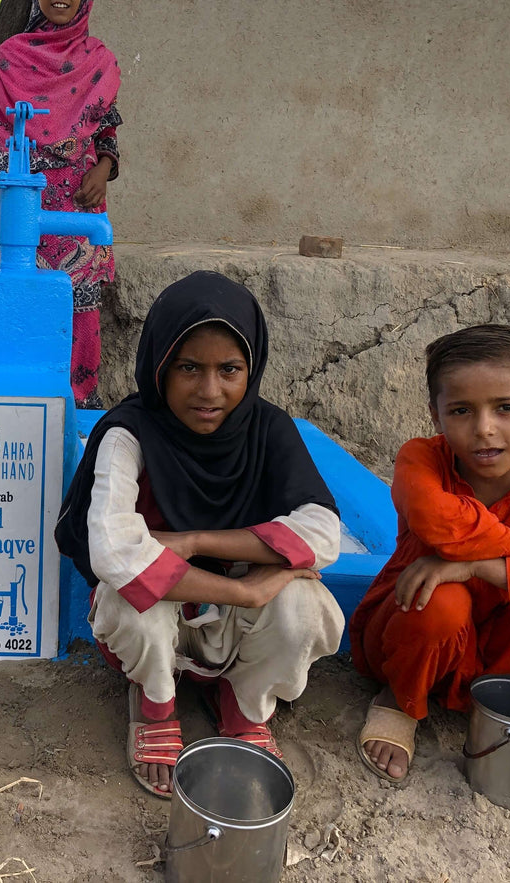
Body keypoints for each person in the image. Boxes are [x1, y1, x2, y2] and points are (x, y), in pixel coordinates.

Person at [55, 271, 345, 797]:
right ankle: (156, 704)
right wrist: (242, 588)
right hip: (163, 615)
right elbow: (115, 551)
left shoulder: (269, 430)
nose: (210, 392)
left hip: (234, 621)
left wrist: (194, 542)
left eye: (230, 370)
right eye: (189, 368)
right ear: (160, 365)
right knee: (126, 597)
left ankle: (243, 703)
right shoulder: (129, 433)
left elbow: (323, 532)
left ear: (251, 368)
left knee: (307, 604)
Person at [350, 324, 510, 782]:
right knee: (439, 599)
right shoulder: (420, 460)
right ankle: (398, 699)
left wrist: (477, 565)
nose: (484, 429)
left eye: (506, 408)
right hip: (410, 631)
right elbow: (436, 521)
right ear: (436, 416)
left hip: (500, 642)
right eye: (462, 410)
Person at [0, 0, 122, 409]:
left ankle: (76, 416)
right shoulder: (11, 57)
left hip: (78, 204)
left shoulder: (99, 60)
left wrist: (104, 168)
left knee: (78, 315)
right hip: (21, 201)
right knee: (18, 307)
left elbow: (107, 129)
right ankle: (19, 413)